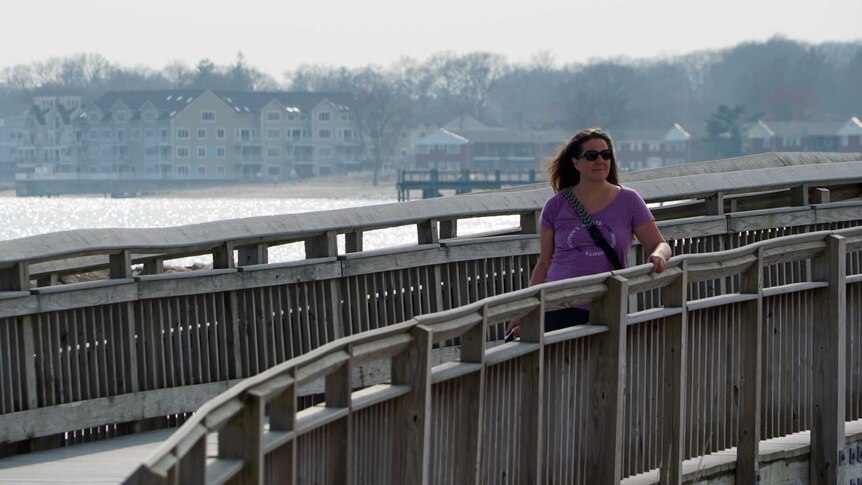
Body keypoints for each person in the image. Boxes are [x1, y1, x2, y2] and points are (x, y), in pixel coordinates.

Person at [506, 127, 671, 338]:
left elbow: (660, 244)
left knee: (603, 367)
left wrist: (658, 256)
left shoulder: (629, 200)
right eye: (591, 155)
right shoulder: (556, 206)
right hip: (557, 303)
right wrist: (524, 310)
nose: (600, 160)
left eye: (606, 154)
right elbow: (544, 263)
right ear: (576, 163)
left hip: (606, 303)